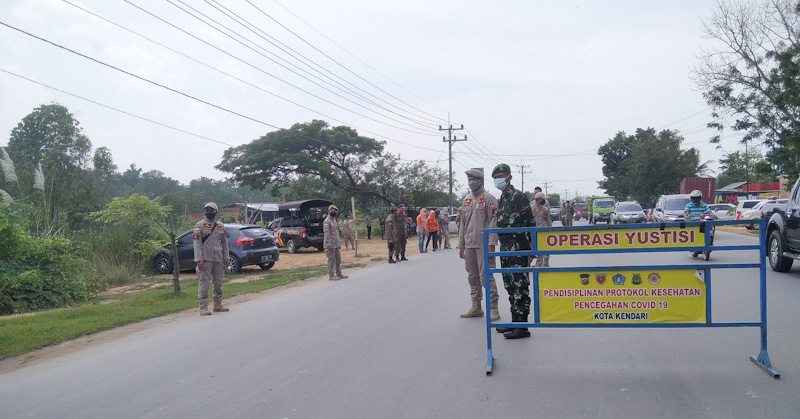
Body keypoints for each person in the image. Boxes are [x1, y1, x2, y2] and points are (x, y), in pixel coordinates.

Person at [492, 163, 533, 339]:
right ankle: (514, 321)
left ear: (509, 177)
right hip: (506, 247)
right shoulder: (502, 198)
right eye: (495, 178)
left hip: (518, 246)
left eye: (500, 177)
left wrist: (532, 249)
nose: (498, 180)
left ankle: (522, 327)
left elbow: (530, 223)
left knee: (520, 286)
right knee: (509, 285)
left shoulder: (519, 197)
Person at [459, 168, 501, 321]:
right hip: (469, 244)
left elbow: (493, 221)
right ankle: (476, 306)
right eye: (469, 180)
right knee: (473, 276)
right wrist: (461, 245)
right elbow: (463, 224)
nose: (471, 183)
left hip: (484, 244)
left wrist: (491, 242)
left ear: (480, 181)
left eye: (473, 180)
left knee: (486, 276)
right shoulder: (466, 200)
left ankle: (493, 307)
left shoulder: (489, 198)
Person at [193, 202, 231, 316]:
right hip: (205, 259)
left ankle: (217, 304)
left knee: (218, 283)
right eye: (207, 210)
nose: (209, 212)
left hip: (218, 258)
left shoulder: (220, 225)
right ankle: (203, 307)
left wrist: (226, 256)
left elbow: (224, 242)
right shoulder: (199, 225)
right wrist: (199, 259)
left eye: (211, 210)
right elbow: (197, 243)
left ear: (216, 211)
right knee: (204, 283)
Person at [323, 205, 348, 280]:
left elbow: (336, 233)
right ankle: (331, 275)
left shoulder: (334, 220)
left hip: (336, 243)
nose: (334, 212)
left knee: (338, 259)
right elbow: (327, 234)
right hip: (330, 244)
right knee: (331, 260)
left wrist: (339, 243)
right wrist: (328, 244)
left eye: (335, 211)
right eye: (333, 211)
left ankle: (339, 273)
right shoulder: (327, 221)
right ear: (329, 211)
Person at [530, 192, 552, 267]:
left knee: (543, 247)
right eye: (542, 199)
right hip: (534, 231)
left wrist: (550, 229)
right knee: (533, 248)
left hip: (543, 230)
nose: (544, 200)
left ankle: (540, 264)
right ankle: (529, 263)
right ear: (538, 199)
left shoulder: (545, 209)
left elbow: (549, 220)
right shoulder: (531, 208)